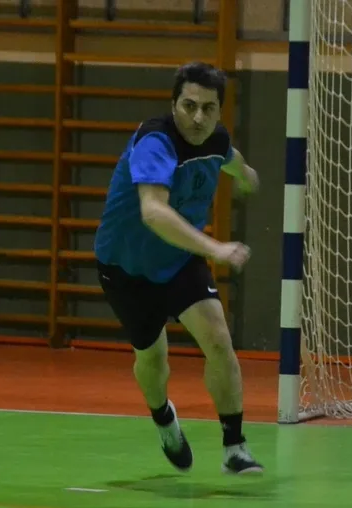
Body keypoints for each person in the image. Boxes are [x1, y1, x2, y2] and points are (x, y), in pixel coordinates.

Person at [94, 62, 264, 475]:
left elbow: (231, 158)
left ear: (219, 111)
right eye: (189, 106)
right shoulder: (155, 141)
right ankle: (163, 417)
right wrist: (215, 248)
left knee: (218, 340)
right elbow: (153, 212)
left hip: (179, 261)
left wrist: (246, 176)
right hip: (126, 268)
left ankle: (235, 447)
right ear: (174, 105)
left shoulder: (216, 140)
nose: (198, 117)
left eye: (208, 108)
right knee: (153, 362)